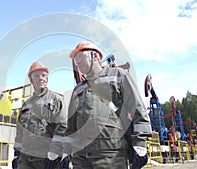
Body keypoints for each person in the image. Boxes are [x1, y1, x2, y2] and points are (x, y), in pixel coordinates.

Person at [65, 41, 152, 169]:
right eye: (76, 60)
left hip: (111, 156)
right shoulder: (78, 90)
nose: (78, 62)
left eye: (81, 57)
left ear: (95, 56)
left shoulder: (118, 76)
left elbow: (138, 110)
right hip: (81, 159)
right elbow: (71, 127)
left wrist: (139, 143)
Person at [12, 61, 70, 169]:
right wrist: (16, 155)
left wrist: (54, 152)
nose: (41, 78)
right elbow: (19, 133)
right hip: (25, 159)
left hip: (46, 157)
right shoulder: (26, 105)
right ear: (31, 80)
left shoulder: (55, 100)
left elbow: (62, 126)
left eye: (43, 75)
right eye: (37, 76)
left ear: (47, 79)